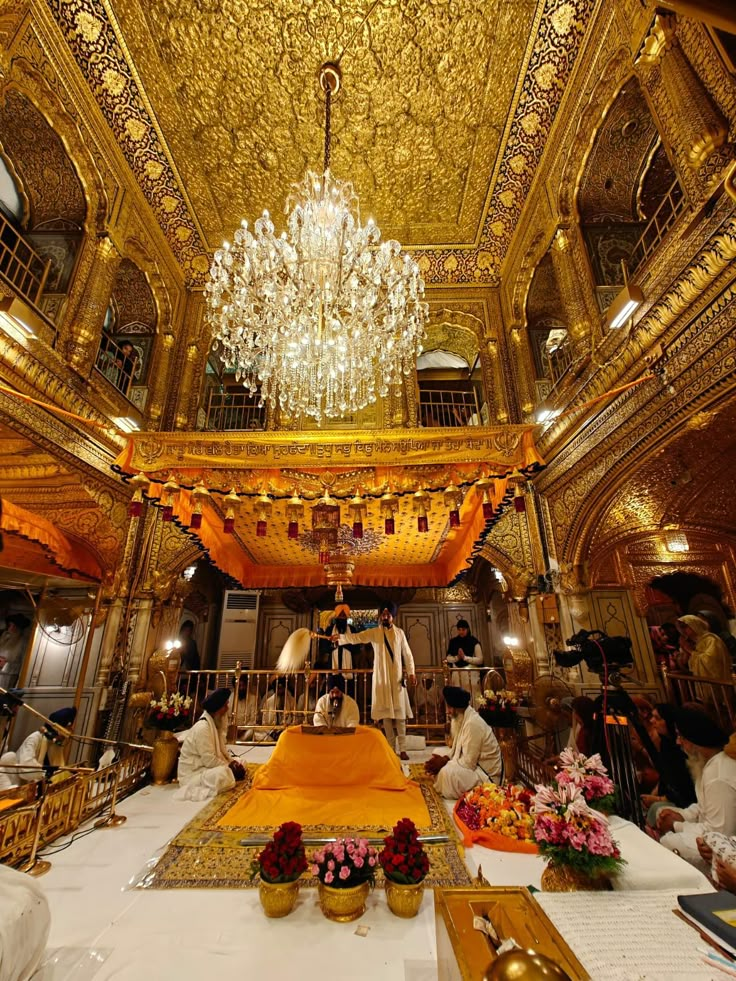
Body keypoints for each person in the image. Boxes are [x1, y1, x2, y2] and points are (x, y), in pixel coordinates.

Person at [657, 707, 736, 870]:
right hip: (708, 834)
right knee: (661, 812)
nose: (678, 742)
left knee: (668, 843)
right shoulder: (711, 765)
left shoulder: (718, 776)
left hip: (723, 847)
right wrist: (681, 815)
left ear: (695, 740)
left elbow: (720, 834)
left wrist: (677, 825)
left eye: (681, 736)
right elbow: (703, 808)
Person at [337, 602, 416, 760]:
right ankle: (391, 748)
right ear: (380, 616)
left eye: (388, 613)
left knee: (400, 716)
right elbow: (356, 638)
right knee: (386, 715)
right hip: (382, 679)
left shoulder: (400, 633)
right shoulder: (374, 633)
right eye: (383, 613)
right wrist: (340, 638)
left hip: (397, 678)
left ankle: (403, 749)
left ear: (392, 616)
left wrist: (412, 673)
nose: (385, 616)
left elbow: (407, 654)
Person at [425, 686, 503, 799]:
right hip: (475, 766)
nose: (447, 712)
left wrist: (445, 762)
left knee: (447, 773)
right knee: (437, 752)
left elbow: (468, 763)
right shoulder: (462, 718)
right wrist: (445, 758)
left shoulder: (472, 724)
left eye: (450, 707)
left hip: (486, 775)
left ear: (458, 708)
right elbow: (456, 750)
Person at [176, 688, 245, 801]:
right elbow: (209, 760)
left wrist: (233, 762)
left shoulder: (214, 722)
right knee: (222, 773)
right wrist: (230, 768)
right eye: (225, 706)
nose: (227, 709)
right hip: (193, 774)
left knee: (240, 762)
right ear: (217, 709)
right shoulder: (203, 728)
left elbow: (222, 749)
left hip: (206, 768)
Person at [641, 702, 696, 824]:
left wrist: (658, 799)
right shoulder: (665, 744)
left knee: (657, 809)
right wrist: (653, 795)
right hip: (668, 795)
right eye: (652, 716)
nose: (652, 721)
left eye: (658, 718)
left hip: (686, 801)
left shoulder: (682, 749)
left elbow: (685, 788)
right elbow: (665, 775)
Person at [11, 706, 77, 783]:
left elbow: (58, 770)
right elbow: (26, 768)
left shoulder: (55, 745)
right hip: (19, 785)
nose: (65, 737)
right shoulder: (34, 738)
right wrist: (45, 774)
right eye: (66, 730)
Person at [676, 615, 731, 685]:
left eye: (685, 626)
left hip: (716, 682)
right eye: (681, 627)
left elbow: (709, 661)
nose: (683, 630)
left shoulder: (711, 639)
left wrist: (689, 650)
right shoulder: (696, 642)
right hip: (702, 681)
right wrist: (685, 650)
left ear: (694, 625)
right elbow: (688, 665)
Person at [445, 619, 484, 696]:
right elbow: (448, 658)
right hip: (456, 674)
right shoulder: (454, 642)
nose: (461, 632)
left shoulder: (474, 642)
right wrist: (457, 658)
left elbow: (480, 660)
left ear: (468, 629)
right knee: (458, 695)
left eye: (463, 629)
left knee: (471, 694)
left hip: (471, 674)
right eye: (459, 629)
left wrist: (465, 658)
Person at [0, 613, 31, 690]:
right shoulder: (3, 638)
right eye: (10, 625)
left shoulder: (23, 642)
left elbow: (23, 666)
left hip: (8, 678)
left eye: (14, 626)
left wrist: (6, 665)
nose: (10, 629)